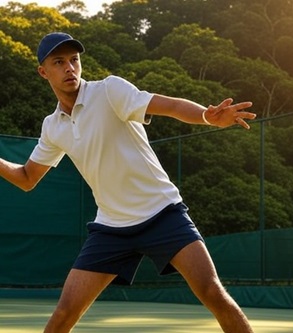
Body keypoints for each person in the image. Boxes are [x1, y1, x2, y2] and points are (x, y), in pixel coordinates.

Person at [0, 32, 256, 333]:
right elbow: (28, 178)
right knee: (64, 313)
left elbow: (170, 106)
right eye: (59, 62)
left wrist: (206, 116)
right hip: (111, 229)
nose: (69, 68)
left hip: (163, 214)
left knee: (212, 292)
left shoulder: (110, 91)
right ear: (44, 72)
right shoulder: (52, 126)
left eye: (74, 60)